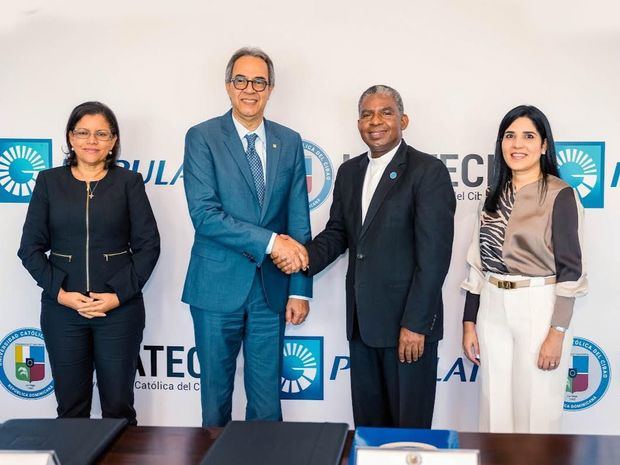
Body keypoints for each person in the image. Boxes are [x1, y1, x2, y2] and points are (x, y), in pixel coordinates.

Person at [274, 85, 455, 428]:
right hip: (362, 326)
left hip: (407, 330)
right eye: (367, 114)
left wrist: (416, 324)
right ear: (358, 123)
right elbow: (338, 234)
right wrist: (301, 256)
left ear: (403, 120)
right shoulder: (349, 172)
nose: (376, 121)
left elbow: (434, 259)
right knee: (369, 433)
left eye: (386, 112)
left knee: (409, 434)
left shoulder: (427, 171)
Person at [182, 47, 312, 427]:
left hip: (270, 290)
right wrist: (272, 243)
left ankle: (264, 455)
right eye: (241, 80)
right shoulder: (202, 137)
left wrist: (300, 289)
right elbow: (205, 216)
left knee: (267, 406)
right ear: (228, 85)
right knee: (215, 405)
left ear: (270, 88)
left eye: (259, 81)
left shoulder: (289, 141)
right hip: (215, 287)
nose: (249, 89)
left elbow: (298, 220)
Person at [18, 101, 160, 425]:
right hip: (63, 312)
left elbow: (149, 246)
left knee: (119, 407)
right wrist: (62, 294)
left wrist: (117, 296)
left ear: (113, 140)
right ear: (71, 137)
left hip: (119, 312)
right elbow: (30, 249)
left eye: (101, 134)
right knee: (71, 409)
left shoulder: (129, 182)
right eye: (83, 133)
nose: (91, 141)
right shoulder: (48, 182)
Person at [460, 105, 587, 433]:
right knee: (493, 410)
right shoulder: (492, 195)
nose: (517, 144)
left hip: (538, 307)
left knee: (536, 413)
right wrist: (469, 322)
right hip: (492, 306)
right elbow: (477, 263)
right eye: (510, 136)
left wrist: (557, 333)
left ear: (544, 145)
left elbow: (571, 271)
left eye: (528, 136)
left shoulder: (560, 194)